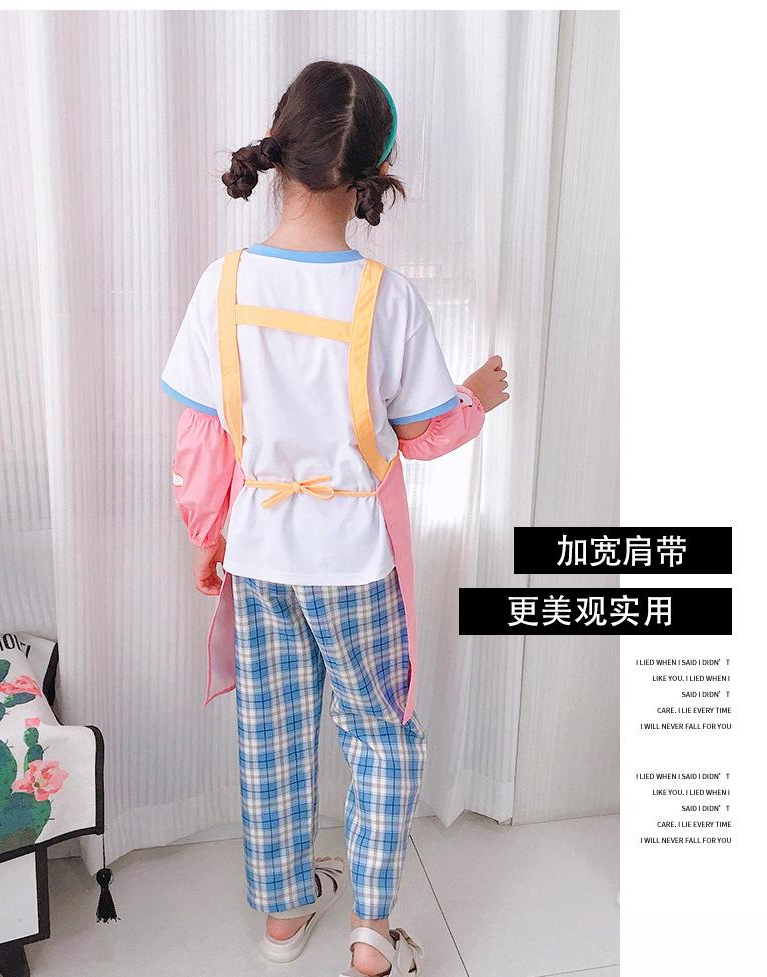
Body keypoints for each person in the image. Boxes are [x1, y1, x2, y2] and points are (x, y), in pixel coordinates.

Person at [161, 60, 509, 977]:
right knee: (381, 734)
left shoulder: (223, 285)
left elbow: (202, 442)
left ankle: (283, 918)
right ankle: (370, 930)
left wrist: (209, 535)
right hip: (355, 562)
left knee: (272, 736)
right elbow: (421, 436)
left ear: (280, 150)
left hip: (260, 554)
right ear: (376, 171)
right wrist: (474, 399)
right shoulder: (385, 295)